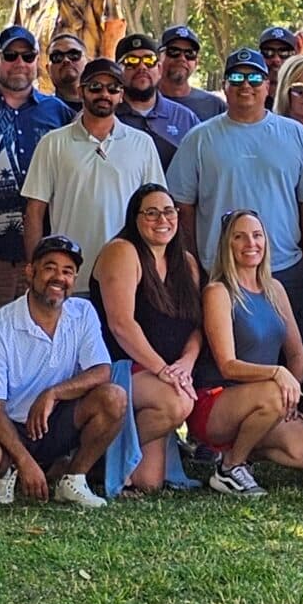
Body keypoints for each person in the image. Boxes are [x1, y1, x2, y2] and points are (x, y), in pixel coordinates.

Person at [168, 48, 303, 329]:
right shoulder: (198, 139)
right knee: (225, 353)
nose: (245, 85)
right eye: (236, 78)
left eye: (254, 78)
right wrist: (195, 260)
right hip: (220, 272)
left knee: (294, 350)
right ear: (224, 86)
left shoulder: (295, 135)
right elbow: (183, 206)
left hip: (283, 269)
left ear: (268, 86)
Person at [0, 237, 130, 507]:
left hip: (54, 421)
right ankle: (10, 470)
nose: (59, 278)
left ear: (74, 279)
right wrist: (25, 461)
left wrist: (53, 393)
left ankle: (73, 479)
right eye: (50, 268)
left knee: (114, 397)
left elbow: (102, 371)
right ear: (30, 272)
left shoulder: (83, 312)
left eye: (67, 271)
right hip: (8, 424)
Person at [192, 211, 303, 496]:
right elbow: (227, 365)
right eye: (239, 237)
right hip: (217, 401)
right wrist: (277, 375)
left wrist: (290, 397)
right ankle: (230, 468)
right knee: (274, 393)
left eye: (256, 235)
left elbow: (297, 354)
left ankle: (238, 452)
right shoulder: (218, 291)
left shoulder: (275, 289)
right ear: (227, 245)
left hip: (267, 401)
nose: (250, 243)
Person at [92, 184, 205, 496]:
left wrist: (185, 364)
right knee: (178, 402)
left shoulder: (187, 262)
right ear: (135, 218)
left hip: (163, 374)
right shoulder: (122, 251)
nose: (162, 220)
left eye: (168, 212)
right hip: (122, 368)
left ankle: (101, 460)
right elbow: (121, 325)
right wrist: (163, 370)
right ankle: (92, 453)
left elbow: (197, 326)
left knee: (149, 483)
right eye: (151, 213)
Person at [21, 59, 164, 280]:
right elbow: (34, 211)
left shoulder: (142, 143)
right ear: (81, 91)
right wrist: (36, 268)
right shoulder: (52, 143)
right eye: (95, 87)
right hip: (68, 275)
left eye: (113, 88)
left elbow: (157, 210)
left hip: (127, 275)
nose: (104, 94)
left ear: (121, 94)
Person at [0, 27, 74, 321]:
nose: (19, 62)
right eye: (10, 55)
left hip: (50, 252)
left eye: (28, 55)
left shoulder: (58, 112)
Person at [113, 32, 200, 165]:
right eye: (131, 61)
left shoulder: (185, 118)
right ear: (117, 71)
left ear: (159, 69)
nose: (142, 67)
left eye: (149, 60)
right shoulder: (106, 116)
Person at [157, 25, 226, 121]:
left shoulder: (215, 106)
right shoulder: (142, 101)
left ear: (196, 62)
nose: (182, 58)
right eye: (174, 51)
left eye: (190, 53)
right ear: (158, 57)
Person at [46, 32, 89, 103]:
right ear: (48, 69)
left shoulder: (105, 104)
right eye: (57, 57)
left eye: (73, 55)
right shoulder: (41, 108)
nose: (66, 60)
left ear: (88, 63)